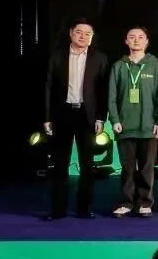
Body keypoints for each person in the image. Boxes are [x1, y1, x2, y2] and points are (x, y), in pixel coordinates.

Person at [42, 18, 109, 220]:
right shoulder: (57, 55)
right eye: (79, 32)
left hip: (87, 116)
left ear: (92, 37)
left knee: (87, 165)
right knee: (60, 164)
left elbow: (103, 90)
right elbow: (48, 87)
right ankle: (58, 210)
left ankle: (84, 209)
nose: (83, 36)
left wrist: (101, 118)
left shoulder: (100, 58)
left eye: (88, 34)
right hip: (62, 114)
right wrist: (47, 117)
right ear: (71, 33)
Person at [108, 26, 158, 218]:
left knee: (146, 168)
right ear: (126, 41)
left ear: (147, 41)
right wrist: (115, 119)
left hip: (148, 126)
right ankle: (126, 202)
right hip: (124, 126)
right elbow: (111, 97)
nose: (136, 40)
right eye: (132, 37)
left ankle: (145, 202)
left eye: (141, 37)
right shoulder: (119, 66)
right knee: (127, 168)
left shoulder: (155, 65)